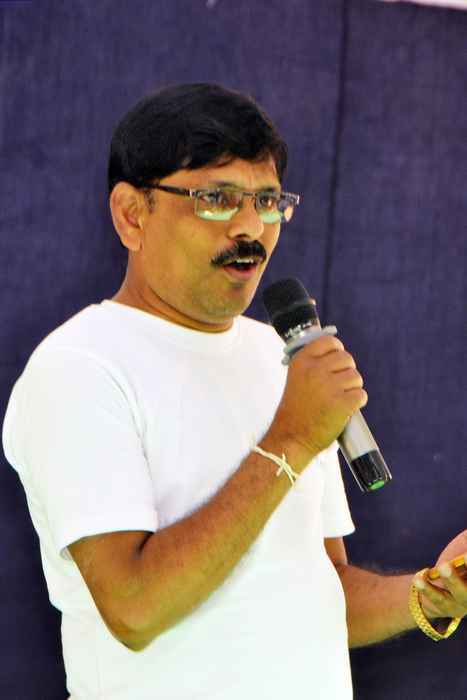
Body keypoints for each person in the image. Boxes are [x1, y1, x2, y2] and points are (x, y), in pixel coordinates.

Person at [2, 83, 466, 700]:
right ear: (132, 215)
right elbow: (135, 609)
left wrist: (430, 592)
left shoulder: (284, 360)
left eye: (268, 202)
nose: (251, 228)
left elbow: (318, 591)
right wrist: (293, 437)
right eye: (216, 199)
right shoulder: (79, 368)